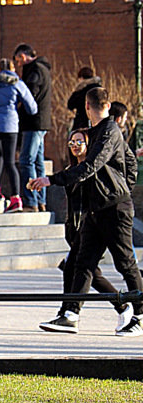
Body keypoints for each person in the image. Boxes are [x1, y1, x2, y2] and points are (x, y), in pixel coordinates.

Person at [31, 87, 142, 336]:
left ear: (86, 106)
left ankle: (139, 314)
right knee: (83, 262)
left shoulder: (110, 131)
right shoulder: (94, 132)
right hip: (96, 209)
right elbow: (128, 161)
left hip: (115, 208)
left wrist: (53, 180)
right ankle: (71, 314)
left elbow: (93, 166)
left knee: (125, 263)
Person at [48, 129, 130, 331]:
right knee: (84, 270)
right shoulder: (71, 170)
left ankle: (71, 313)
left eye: (80, 142)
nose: (75, 145)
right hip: (76, 228)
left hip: (91, 227)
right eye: (72, 142)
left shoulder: (93, 172)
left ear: (90, 145)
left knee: (82, 270)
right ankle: (70, 312)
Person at [0, 58, 37, 212]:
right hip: (9, 125)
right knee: (10, 161)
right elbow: (32, 108)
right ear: (13, 69)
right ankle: (15, 198)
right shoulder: (17, 83)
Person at [13, 43, 52, 212]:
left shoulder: (34, 70)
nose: (18, 64)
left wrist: (19, 107)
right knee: (37, 162)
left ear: (23, 56)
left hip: (33, 122)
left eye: (18, 60)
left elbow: (30, 94)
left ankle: (31, 201)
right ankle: (40, 200)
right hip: (41, 122)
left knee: (26, 160)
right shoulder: (43, 68)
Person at [66, 67, 102, 132]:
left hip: (82, 122)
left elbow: (70, 104)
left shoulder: (81, 90)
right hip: (97, 120)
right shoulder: (99, 89)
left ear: (81, 78)